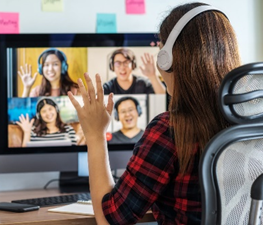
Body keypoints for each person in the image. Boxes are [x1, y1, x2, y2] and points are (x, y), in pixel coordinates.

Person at [67, 2, 241, 224]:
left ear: (167, 60)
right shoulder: (250, 121)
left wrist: (94, 134)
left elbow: (109, 220)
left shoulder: (170, 131)